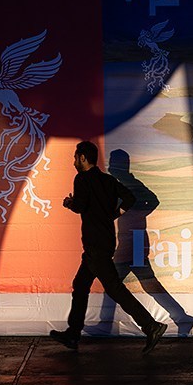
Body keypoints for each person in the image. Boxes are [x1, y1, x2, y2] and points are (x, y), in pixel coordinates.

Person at [50, 141, 167, 353]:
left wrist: (69, 203)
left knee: (114, 288)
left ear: (83, 158)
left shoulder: (82, 179)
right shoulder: (109, 181)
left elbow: (81, 206)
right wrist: (116, 213)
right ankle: (73, 334)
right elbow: (130, 198)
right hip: (104, 242)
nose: (74, 161)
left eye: (76, 157)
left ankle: (151, 326)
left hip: (95, 244)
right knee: (81, 284)